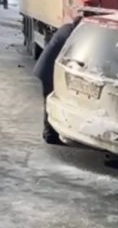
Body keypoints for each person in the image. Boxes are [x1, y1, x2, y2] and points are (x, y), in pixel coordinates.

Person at [33, 15, 83, 144]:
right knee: (51, 101)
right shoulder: (71, 35)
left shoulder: (66, 29)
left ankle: (50, 133)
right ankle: (50, 134)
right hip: (48, 71)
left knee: (49, 100)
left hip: (45, 68)